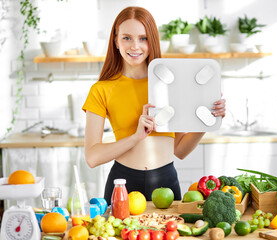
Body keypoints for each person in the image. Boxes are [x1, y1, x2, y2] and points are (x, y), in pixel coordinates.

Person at [82, 6, 226, 204]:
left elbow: (180, 150)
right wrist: (136, 137)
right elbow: (92, 157)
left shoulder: (171, 84)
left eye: (143, 38)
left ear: (153, 41)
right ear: (115, 41)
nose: (135, 46)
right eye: (126, 38)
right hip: (122, 184)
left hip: (166, 182)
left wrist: (208, 121)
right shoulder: (101, 89)